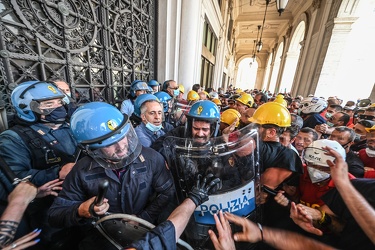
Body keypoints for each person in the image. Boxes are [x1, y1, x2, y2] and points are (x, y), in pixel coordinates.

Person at [48, 102, 176, 249]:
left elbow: (167, 192)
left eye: (122, 136)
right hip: (101, 236)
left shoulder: (151, 158)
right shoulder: (81, 170)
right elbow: (55, 215)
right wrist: (81, 210)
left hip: (142, 234)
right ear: (91, 149)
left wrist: (143, 218)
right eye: (109, 144)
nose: (121, 147)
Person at [0, 80, 78, 248]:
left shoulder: (68, 126)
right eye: (49, 104)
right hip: (45, 213)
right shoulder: (13, 139)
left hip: (74, 202)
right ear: (28, 108)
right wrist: (57, 173)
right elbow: (14, 181)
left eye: (59, 101)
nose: (58, 107)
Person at [290, 146, 375, 249]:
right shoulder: (356, 186)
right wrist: (320, 217)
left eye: (323, 167)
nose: (316, 171)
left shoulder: (347, 184)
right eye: (311, 165)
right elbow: (340, 227)